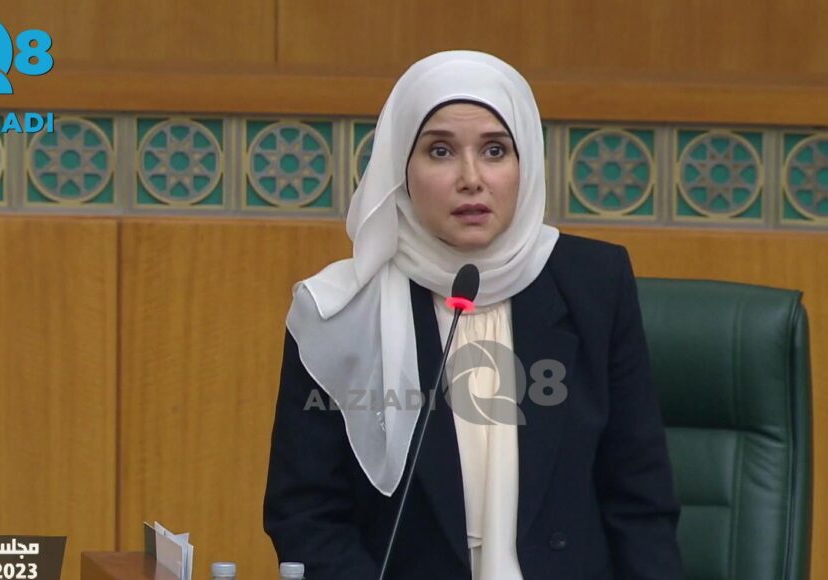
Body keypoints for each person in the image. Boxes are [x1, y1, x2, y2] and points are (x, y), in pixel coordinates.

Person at [263, 50, 684, 580]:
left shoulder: (594, 285)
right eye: (440, 151)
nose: (471, 178)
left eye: (494, 150)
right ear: (400, 167)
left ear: (525, 162)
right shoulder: (338, 311)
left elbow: (640, 504)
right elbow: (306, 516)